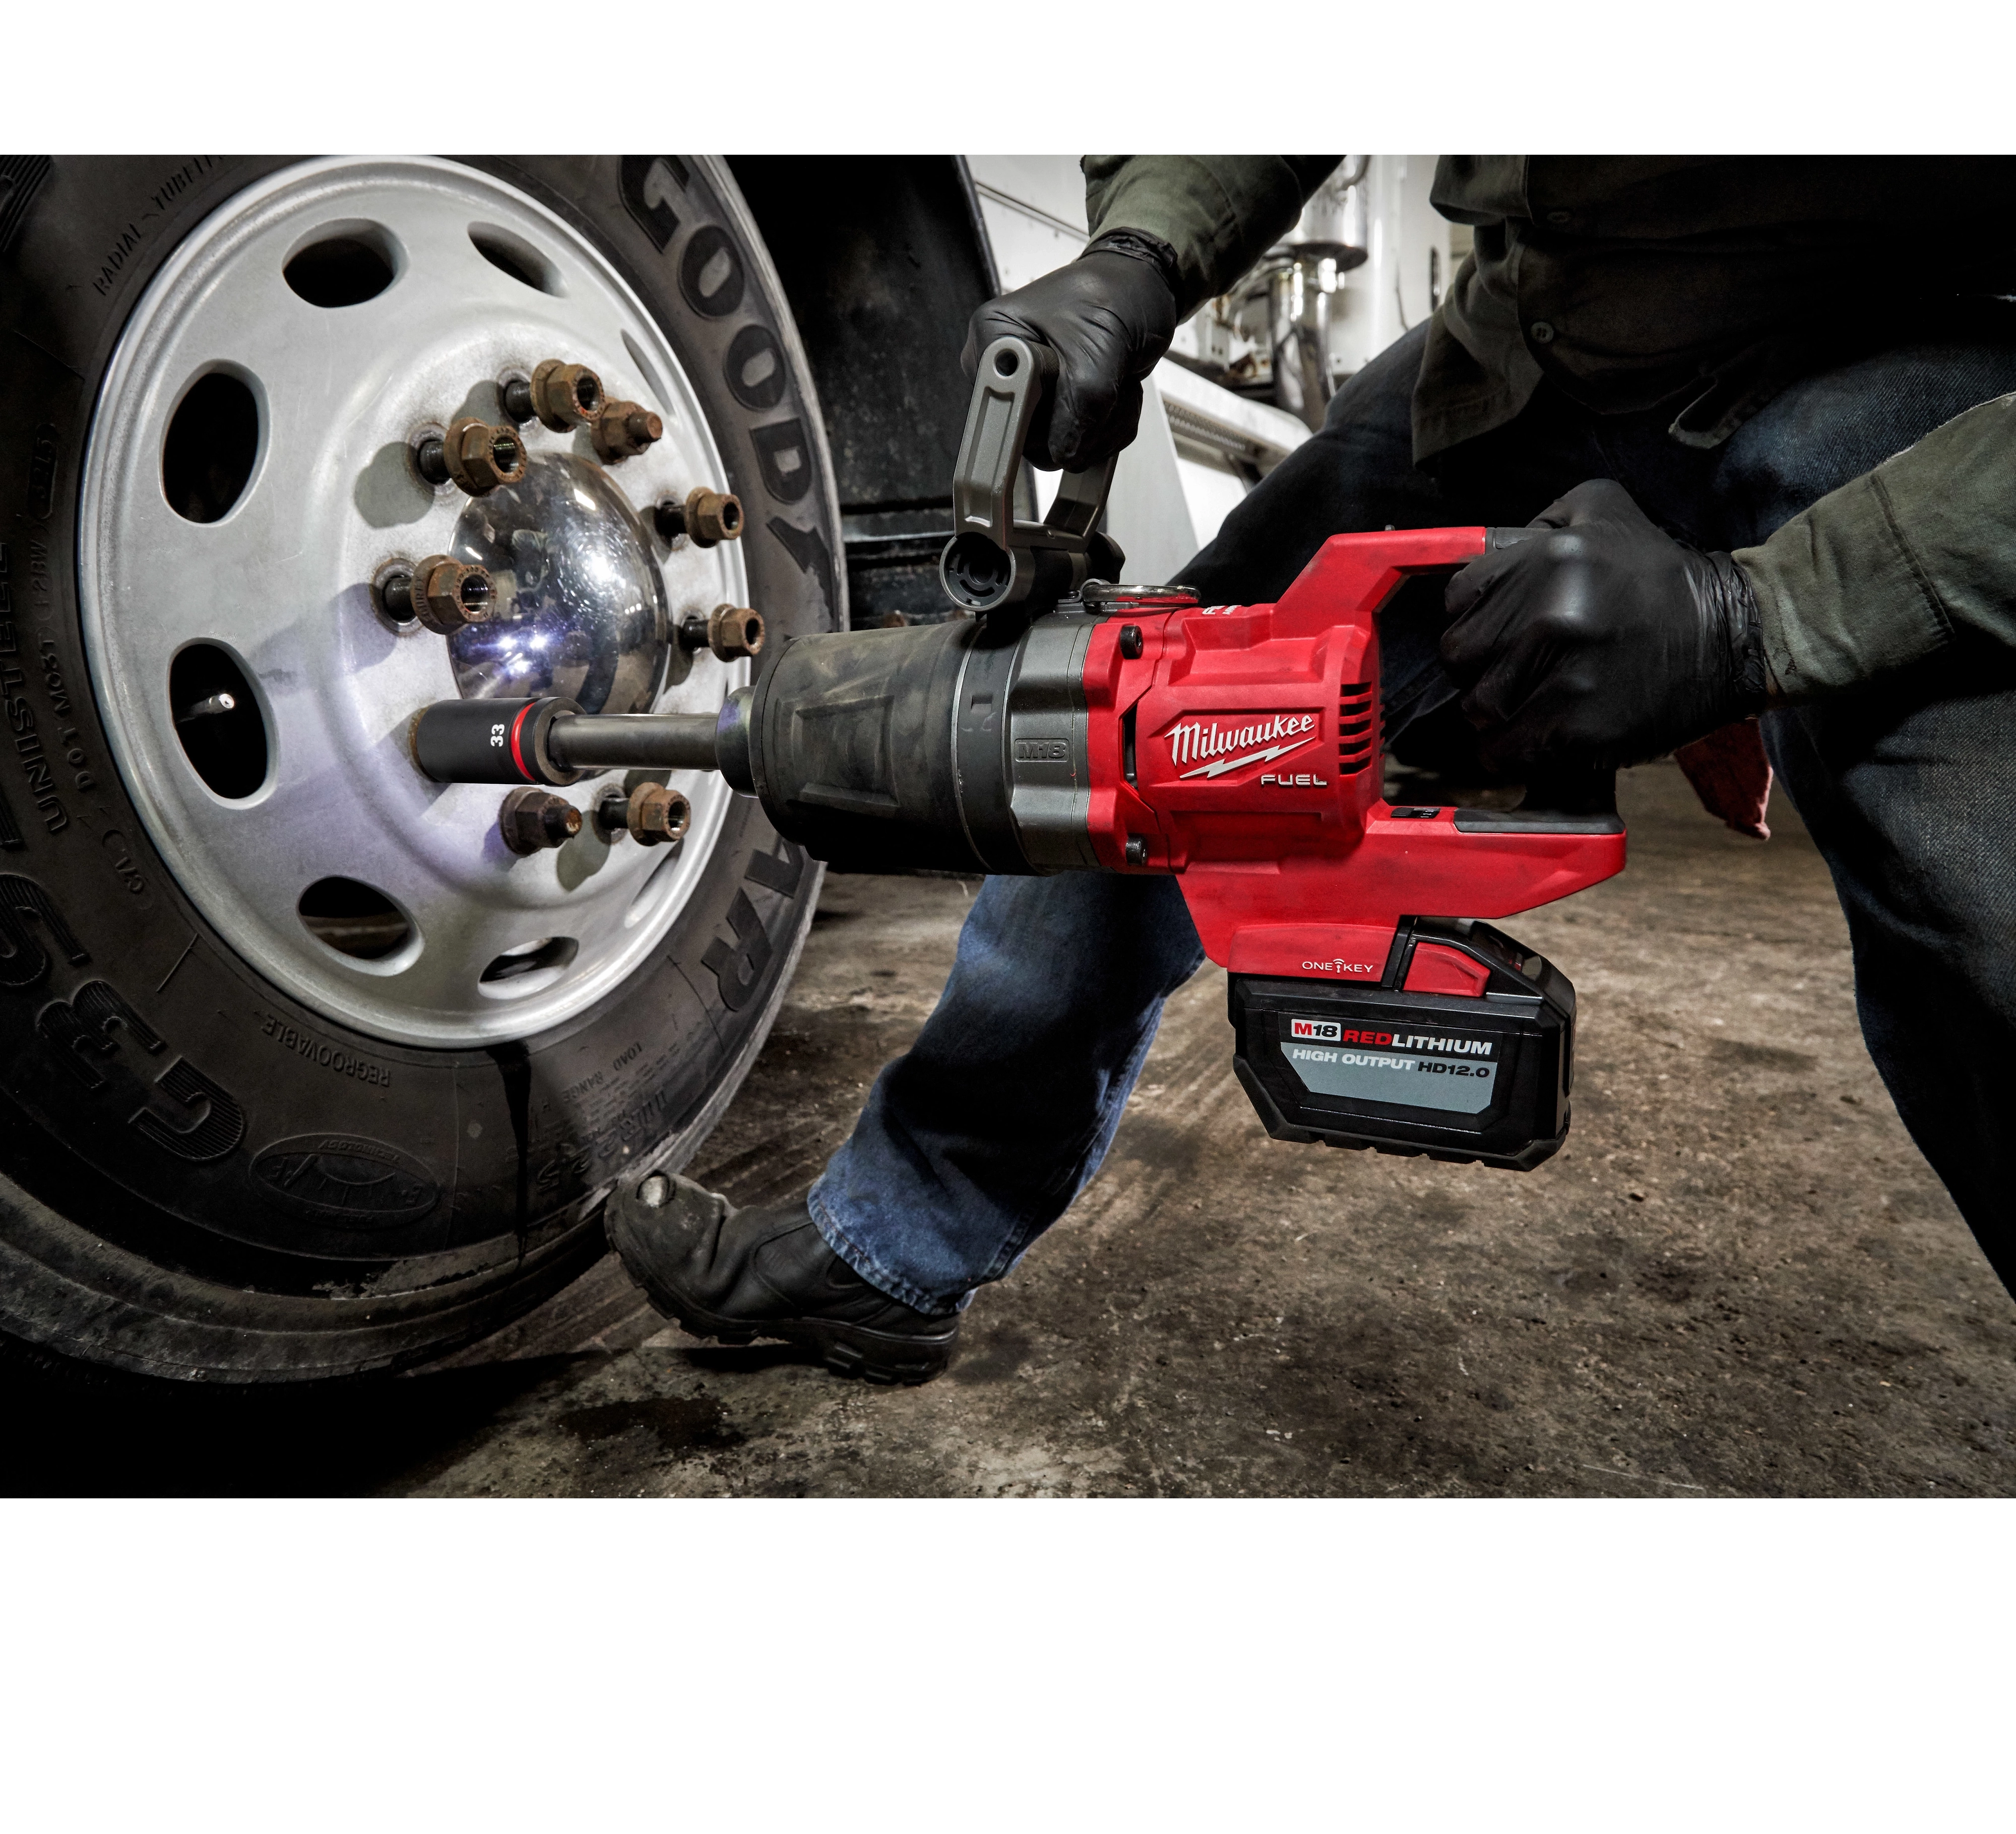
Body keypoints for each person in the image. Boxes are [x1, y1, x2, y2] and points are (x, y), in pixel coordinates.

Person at [610, 153, 2016, 1383]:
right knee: (1127, 739)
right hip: (1534, 349)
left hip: (1912, 371)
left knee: (1978, 906)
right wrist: (1138, 258)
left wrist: (1759, 618)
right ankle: (894, 1251)